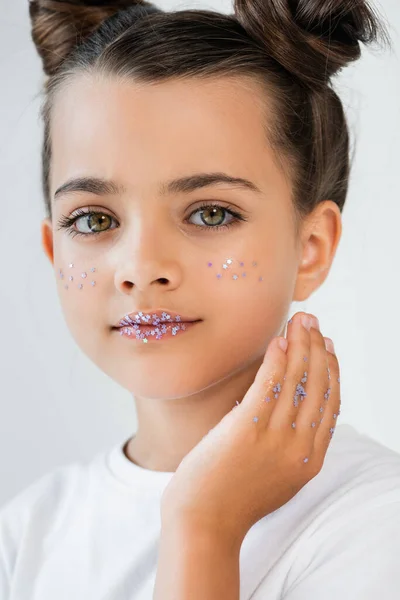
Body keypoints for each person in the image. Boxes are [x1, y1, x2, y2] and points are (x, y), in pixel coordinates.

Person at [1, 0, 399, 598]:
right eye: (91, 220)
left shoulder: (376, 522)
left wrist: (204, 528)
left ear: (311, 246)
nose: (140, 269)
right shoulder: (24, 535)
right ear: (54, 251)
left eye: (210, 212)